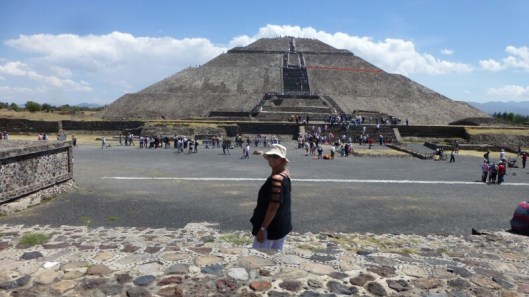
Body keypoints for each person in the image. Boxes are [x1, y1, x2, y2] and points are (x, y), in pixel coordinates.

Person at [250, 144, 292, 250]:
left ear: (282, 160)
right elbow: (273, 161)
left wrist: (263, 229)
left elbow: (273, 206)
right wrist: (262, 153)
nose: (271, 158)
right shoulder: (286, 173)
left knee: (259, 258)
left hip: (270, 227)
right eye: (270, 156)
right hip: (281, 224)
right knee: (274, 257)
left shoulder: (277, 179)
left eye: (275, 156)